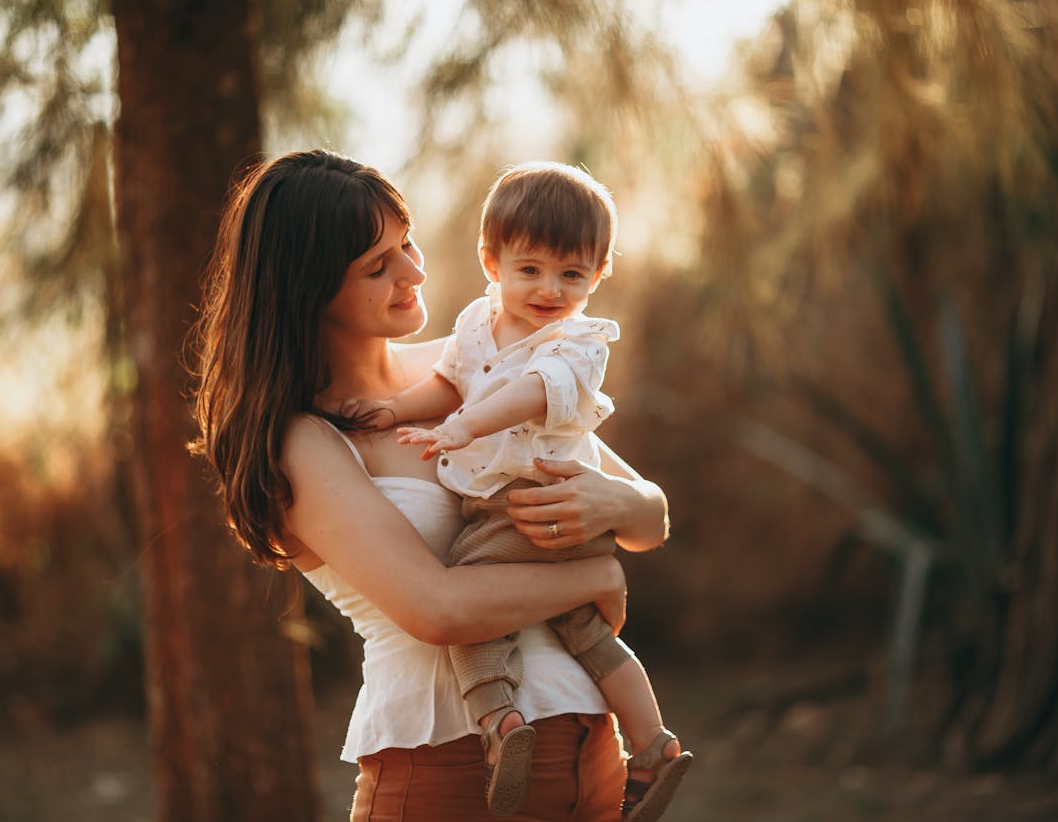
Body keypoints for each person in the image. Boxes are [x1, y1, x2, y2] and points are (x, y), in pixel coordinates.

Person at [190, 149, 677, 821]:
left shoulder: (476, 365)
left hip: (596, 766)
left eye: (407, 242)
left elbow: (650, 517)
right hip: (448, 779)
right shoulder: (302, 441)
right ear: (308, 288)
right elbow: (439, 610)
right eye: (378, 266)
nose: (414, 271)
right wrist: (598, 576)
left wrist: (616, 501)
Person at [366, 162, 691, 820]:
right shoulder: (475, 325)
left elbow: (535, 392)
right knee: (588, 633)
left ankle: (500, 720)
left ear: (599, 273)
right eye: (531, 269)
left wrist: (464, 425)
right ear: (491, 262)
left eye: (571, 274)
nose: (549, 289)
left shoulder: (579, 341)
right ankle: (653, 743)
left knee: (473, 594)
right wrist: (397, 410)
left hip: (527, 503)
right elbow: (449, 383)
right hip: (552, 520)